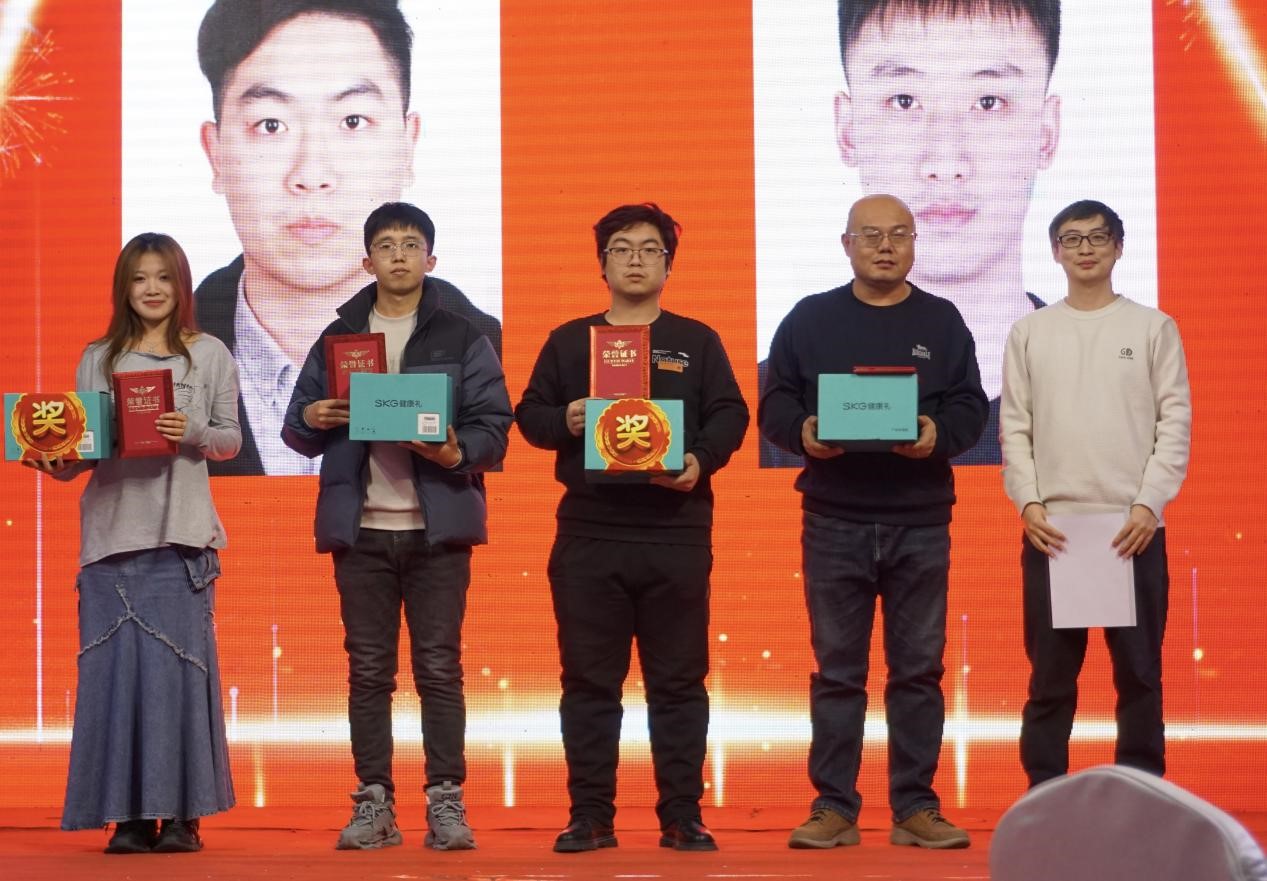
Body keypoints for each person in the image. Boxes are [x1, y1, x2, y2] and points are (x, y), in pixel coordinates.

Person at [515, 203, 748, 854]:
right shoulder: (570, 341)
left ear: (668, 265)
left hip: (676, 532)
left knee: (679, 684)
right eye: (621, 248)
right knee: (589, 684)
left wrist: (699, 460)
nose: (636, 260)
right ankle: (590, 816)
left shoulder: (696, 341)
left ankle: (682, 815)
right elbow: (527, 416)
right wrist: (566, 418)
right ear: (602, 263)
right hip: (590, 534)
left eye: (650, 249)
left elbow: (730, 414)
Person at [759, 194, 987, 850]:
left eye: (897, 235)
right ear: (846, 244)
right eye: (870, 235)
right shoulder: (810, 317)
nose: (884, 246)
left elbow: (971, 407)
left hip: (920, 522)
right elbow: (775, 403)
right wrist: (803, 431)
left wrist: (936, 433)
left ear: (914, 243)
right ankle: (833, 806)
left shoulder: (941, 320)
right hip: (834, 518)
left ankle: (915, 806)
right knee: (838, 673)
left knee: (918, 672)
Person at [282, 201, 511, 851]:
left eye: (411, 244)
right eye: (386, 245)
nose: (399, 255)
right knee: (368, 672)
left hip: (438, 531)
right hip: (361, 531)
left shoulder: (463, 335)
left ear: (430, 259)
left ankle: (445, 799)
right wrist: (314, 416)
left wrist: (455, 451)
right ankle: (374, 802)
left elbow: (495, 427)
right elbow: (296, 428)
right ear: (367, 262)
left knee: (438, 668)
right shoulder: (338, 338)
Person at [196, 0, 501, 475]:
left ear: (408, 144)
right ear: (216, 154)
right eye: (271, 125)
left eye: (352, 121)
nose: (311, 174)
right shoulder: (165, 354)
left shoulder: (487, 346)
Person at [760, 0, 1061, 466]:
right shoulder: (792, 361)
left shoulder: (1084, 381)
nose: (945, 161)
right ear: (847, 129)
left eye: (988, 102)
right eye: (904, 101)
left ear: (1046, 131)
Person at [28, 233, 240, 853]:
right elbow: (83, 451)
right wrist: (56, 459)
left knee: (177, 682)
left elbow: (229, 440)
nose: (152, 289)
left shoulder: (209, 354)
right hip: (111, 539)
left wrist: (192, 429)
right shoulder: (99, 358)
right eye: (140, 278)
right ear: (124, 287)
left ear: (182, 285)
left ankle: (182, 816)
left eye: (164, 277)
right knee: (116, 683)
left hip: (181, 538)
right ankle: (126, 816)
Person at [1000, 199, 1191, 788]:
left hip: (1133, 530)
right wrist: (1029, 503)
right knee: (1050, 680)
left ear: (1119, 247)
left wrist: (1148, 503)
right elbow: (1015, 426)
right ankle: (1044, 792)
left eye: (1098, 237)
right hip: (1055, 532)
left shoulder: (1152, 327)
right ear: (1055, 252)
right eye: (1072, 239)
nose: (1085, 249)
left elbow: (1174, 423)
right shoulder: (1030, 331)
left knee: (1139, 674)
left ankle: (1141, 788)